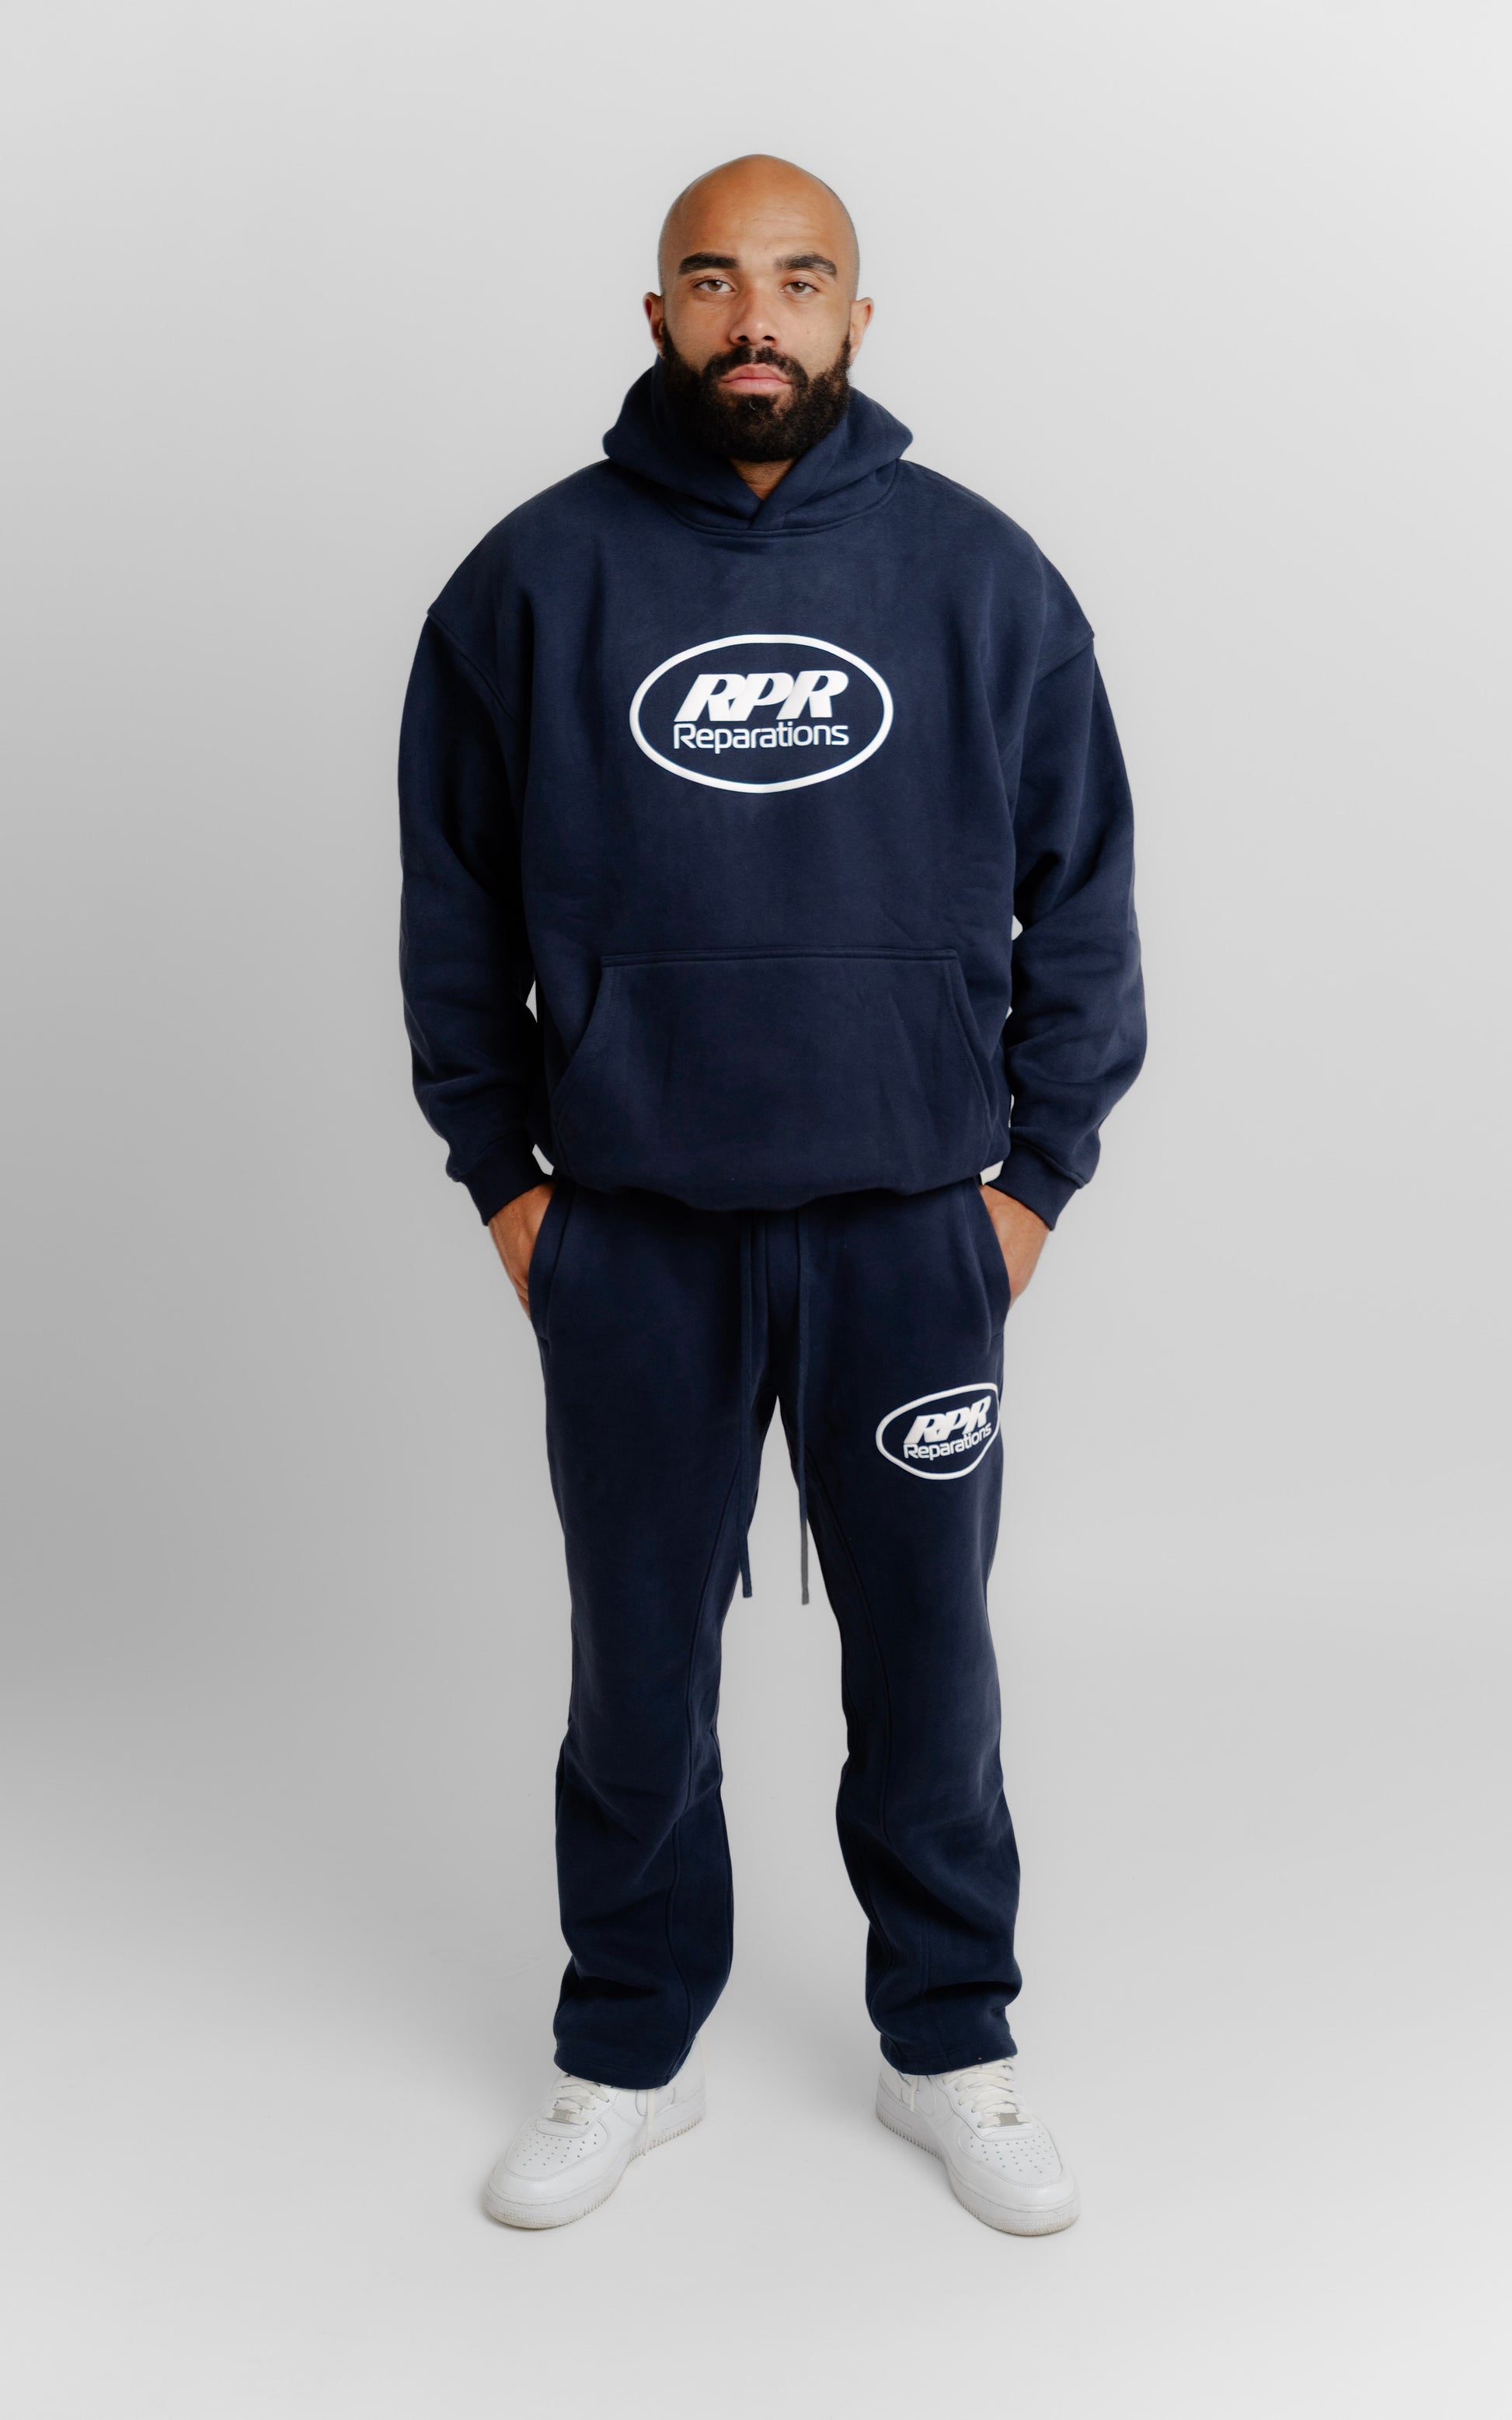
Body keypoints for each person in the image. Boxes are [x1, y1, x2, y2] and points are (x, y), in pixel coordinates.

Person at [398, 153, 1144, 2235]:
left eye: (799, 280)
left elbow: (1085, 904)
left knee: (932, 1669)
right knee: (635, 1669)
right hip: (631, 1234)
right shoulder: (530, 584)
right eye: (714, 279)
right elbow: (452, 920)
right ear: (657, 314)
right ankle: (625, 2052)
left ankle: (951, 2044)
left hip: (912, 1235)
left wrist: (1029, 1186)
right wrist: (509, 1187)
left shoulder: (980, 577)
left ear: (856, 319)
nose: (757, 316)